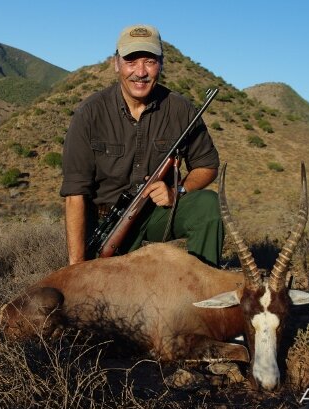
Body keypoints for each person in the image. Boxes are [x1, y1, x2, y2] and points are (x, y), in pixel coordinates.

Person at [60, 24, 223, 266]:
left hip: (157, 214)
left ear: (161, 63)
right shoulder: (90, 113)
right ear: (116, 63)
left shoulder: (180, 109)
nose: (140, 72)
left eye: (149, 61)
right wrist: (76, 266)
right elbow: (75, 194)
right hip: (108, 222)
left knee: (208, 205)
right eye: (131, 61)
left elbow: (208, 166)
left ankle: (204, 293)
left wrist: (177, 192)